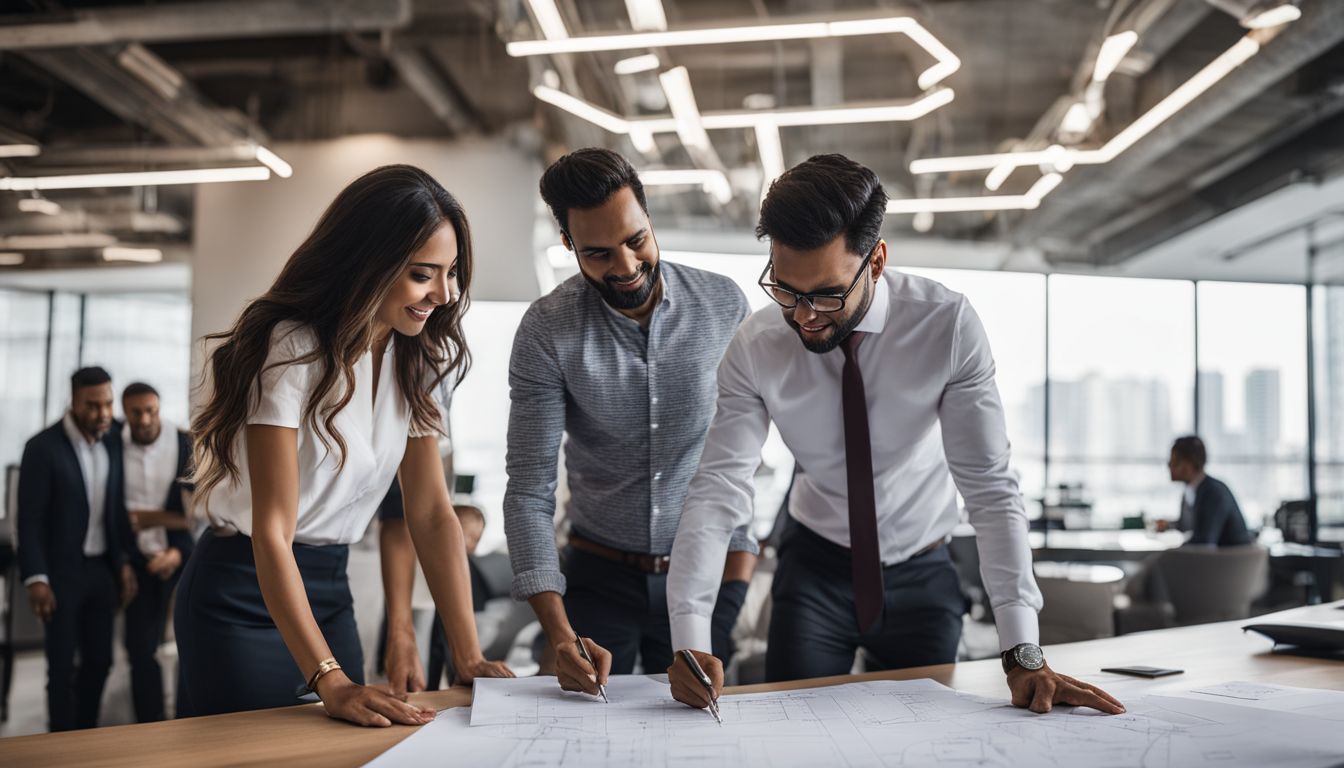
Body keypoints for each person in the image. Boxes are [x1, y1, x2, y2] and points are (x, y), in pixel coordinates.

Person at [665, 154, 1124, 716]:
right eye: (786, 291)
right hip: (814, 569)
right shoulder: (756, 347)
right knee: (788, 738)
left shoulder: (946, 327)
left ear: (876, 260)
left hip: (921, 570)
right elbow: (717, 492)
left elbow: (989, 488)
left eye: (827, 295)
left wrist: (1021, 647)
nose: (805, 316)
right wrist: (690, 638)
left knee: (923, 741)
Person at [177, 164, 513, 726]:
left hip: (330, 592)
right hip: (241, 594)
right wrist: (329, 679)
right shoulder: (291, 349)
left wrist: (468, 654)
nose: (444, 293)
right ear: (370, 264)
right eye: (423, 274)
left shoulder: (419, 356)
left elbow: (430, 513)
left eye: (451, 273)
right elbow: (273, 534)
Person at [505, 148, 756, 698]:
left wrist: (732, 596)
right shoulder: (547, 329)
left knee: (703, 740)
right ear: (568, 245)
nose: (624, 266)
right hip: (598, 580)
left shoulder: (723, 306)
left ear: (648, 217)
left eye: (636, 240)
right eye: (597, 253)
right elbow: (529, 491)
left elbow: (743, 463)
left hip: (705, 574)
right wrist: (559, 633)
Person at [17, 366, 138, 731]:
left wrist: (124, 563)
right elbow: (30, 520)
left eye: (107, 404)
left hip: (102, 570)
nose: (103, 413)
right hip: (61, 573)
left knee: (101, 661)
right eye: (93, 405)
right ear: (72, 401)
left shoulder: (116, 438)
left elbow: (116, 508)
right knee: (61, 666)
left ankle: (85, 734)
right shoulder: (41, 447)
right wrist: (36, 577)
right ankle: (60, 743)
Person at [119, 381, 194, 723]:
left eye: (151, 411)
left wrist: (143, 519)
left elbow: (194, 516)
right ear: (125, 412)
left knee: (190, 645)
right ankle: (148, 724)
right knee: (140, 649)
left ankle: (186, 718)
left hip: (184, 558)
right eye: (137, 412)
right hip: (138, 564)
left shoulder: (184, 444)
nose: (145, 419)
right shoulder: (112, 447)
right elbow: (113, 516)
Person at [1164, 435, 1252, 547]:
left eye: (1175, 462)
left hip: (1230, 562)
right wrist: (1168, 525)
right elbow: (1186, 526)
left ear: (1190, 464)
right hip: (1213, 560)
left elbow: (1204, 542)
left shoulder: (1214, 492)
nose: (1169, 466)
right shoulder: (1190, 491)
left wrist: (1170, 551)